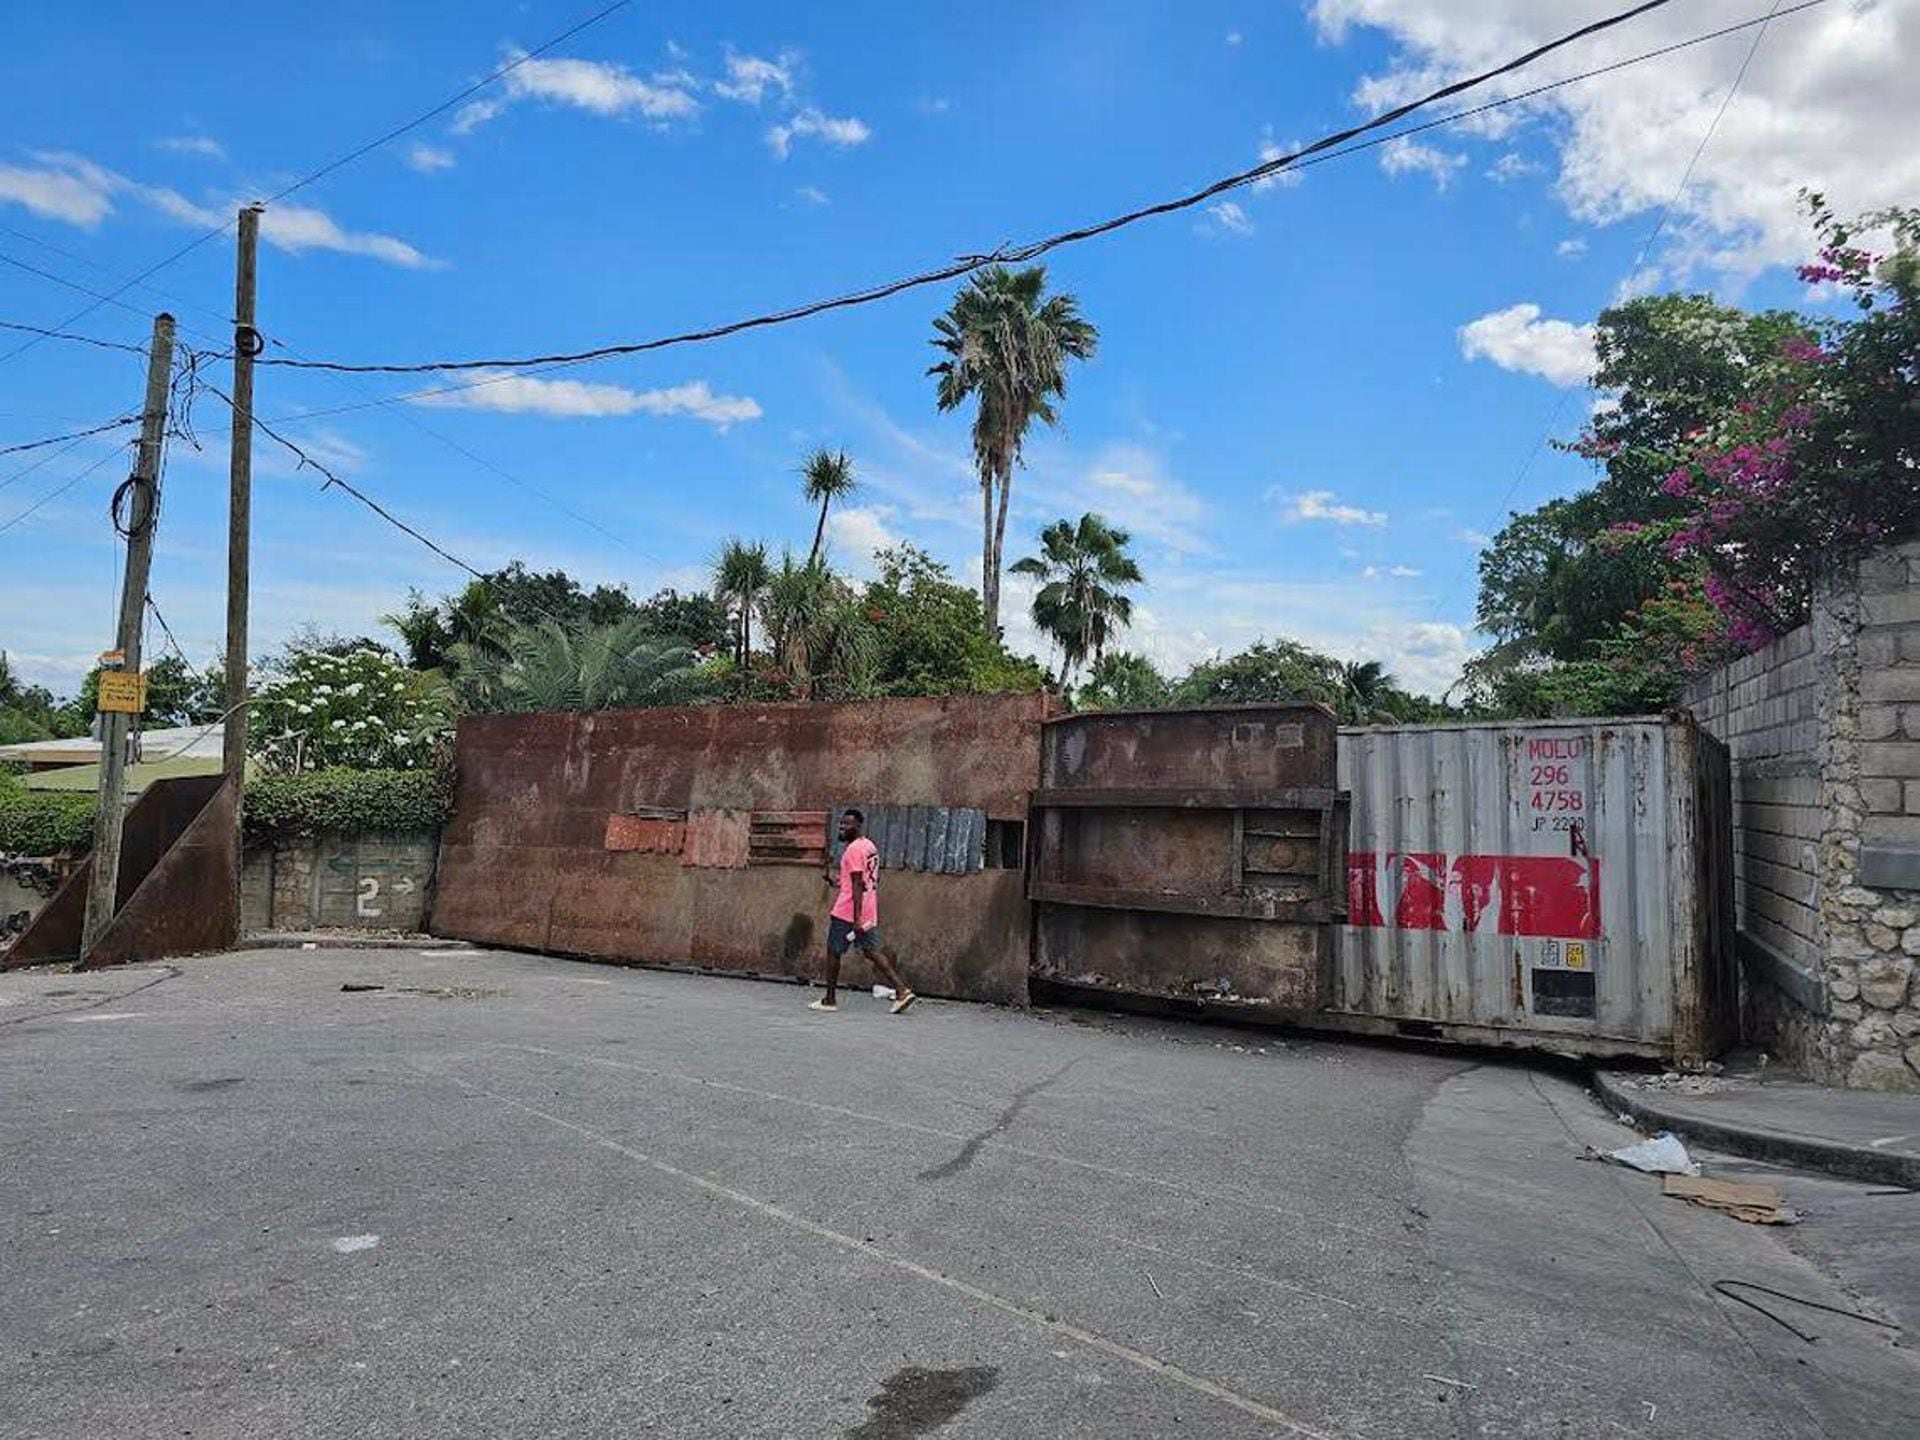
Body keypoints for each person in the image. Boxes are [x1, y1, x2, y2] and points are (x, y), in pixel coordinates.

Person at [811, 808, 916, 1014]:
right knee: (871, 951)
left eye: (847, 824)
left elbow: (858, 883)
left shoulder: (853, 850)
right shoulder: (869, 846)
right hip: (868, 908)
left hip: (848, 911)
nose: (842, 827)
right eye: (841, 824)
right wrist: (837, 881)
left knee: (834, 951)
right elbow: (863, 879)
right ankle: (902, 990)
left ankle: (829, 999)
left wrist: (856, 918)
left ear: (858, 826)